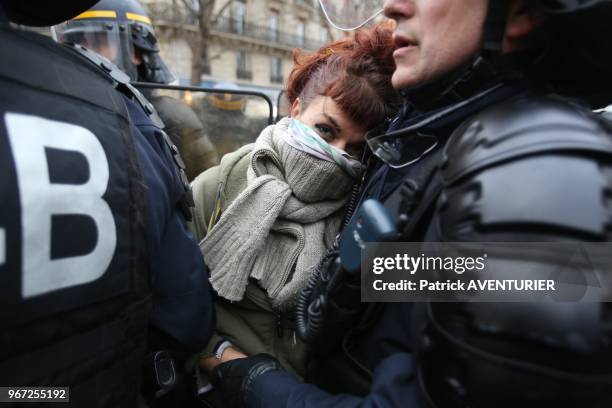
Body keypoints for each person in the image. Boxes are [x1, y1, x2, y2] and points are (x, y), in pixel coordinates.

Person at [204, 0, 612, 407]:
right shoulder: (430, 140)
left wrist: (249, 378)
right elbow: (411, 291)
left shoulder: (531, 171)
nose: (392, 5)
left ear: (521, 12)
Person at [0, 0, 214, 406]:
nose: (88, 49)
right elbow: (186, 319)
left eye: (101, 40)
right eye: (81, 38)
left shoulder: (145, 112)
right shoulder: (125, 113)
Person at [188, 24, 399, 404]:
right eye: (324, 130)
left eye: (355, 149)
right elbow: (175, 305)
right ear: (296, 108)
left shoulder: (363, 210)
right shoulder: (216, 189)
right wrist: (222, 359)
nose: (337, 155)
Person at [53, 0, 220, 181]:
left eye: (99, 41)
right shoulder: (55, 111)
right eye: (76, 43)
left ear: (138, 53)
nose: (83, 51)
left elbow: (209, 194)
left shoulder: (173, 118)